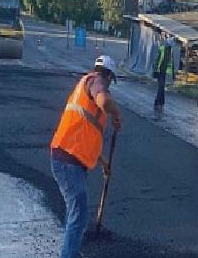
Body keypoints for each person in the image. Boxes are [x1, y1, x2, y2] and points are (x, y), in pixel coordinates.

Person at [50, 55, 122, 258]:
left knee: (75, 212)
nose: (109, 85)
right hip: (66, 160)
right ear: (108, 75)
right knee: (79, 214)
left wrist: (103, 162)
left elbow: (84, 135)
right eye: (110, 81)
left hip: (71, 158)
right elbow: (105, 101)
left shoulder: (86, 88)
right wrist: (116, 113)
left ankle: (71, 251)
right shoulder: (96, 81)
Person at [153, 36, 175, 119]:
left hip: (165, 71)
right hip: (160, 71)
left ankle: (160, 102)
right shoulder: (162, 49)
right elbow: (157, 60)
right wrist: (155, 70)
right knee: (161, 87)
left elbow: (172, 63)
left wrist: (173, 74)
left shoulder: (171, 51)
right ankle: (158, 102)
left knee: (162, 88)